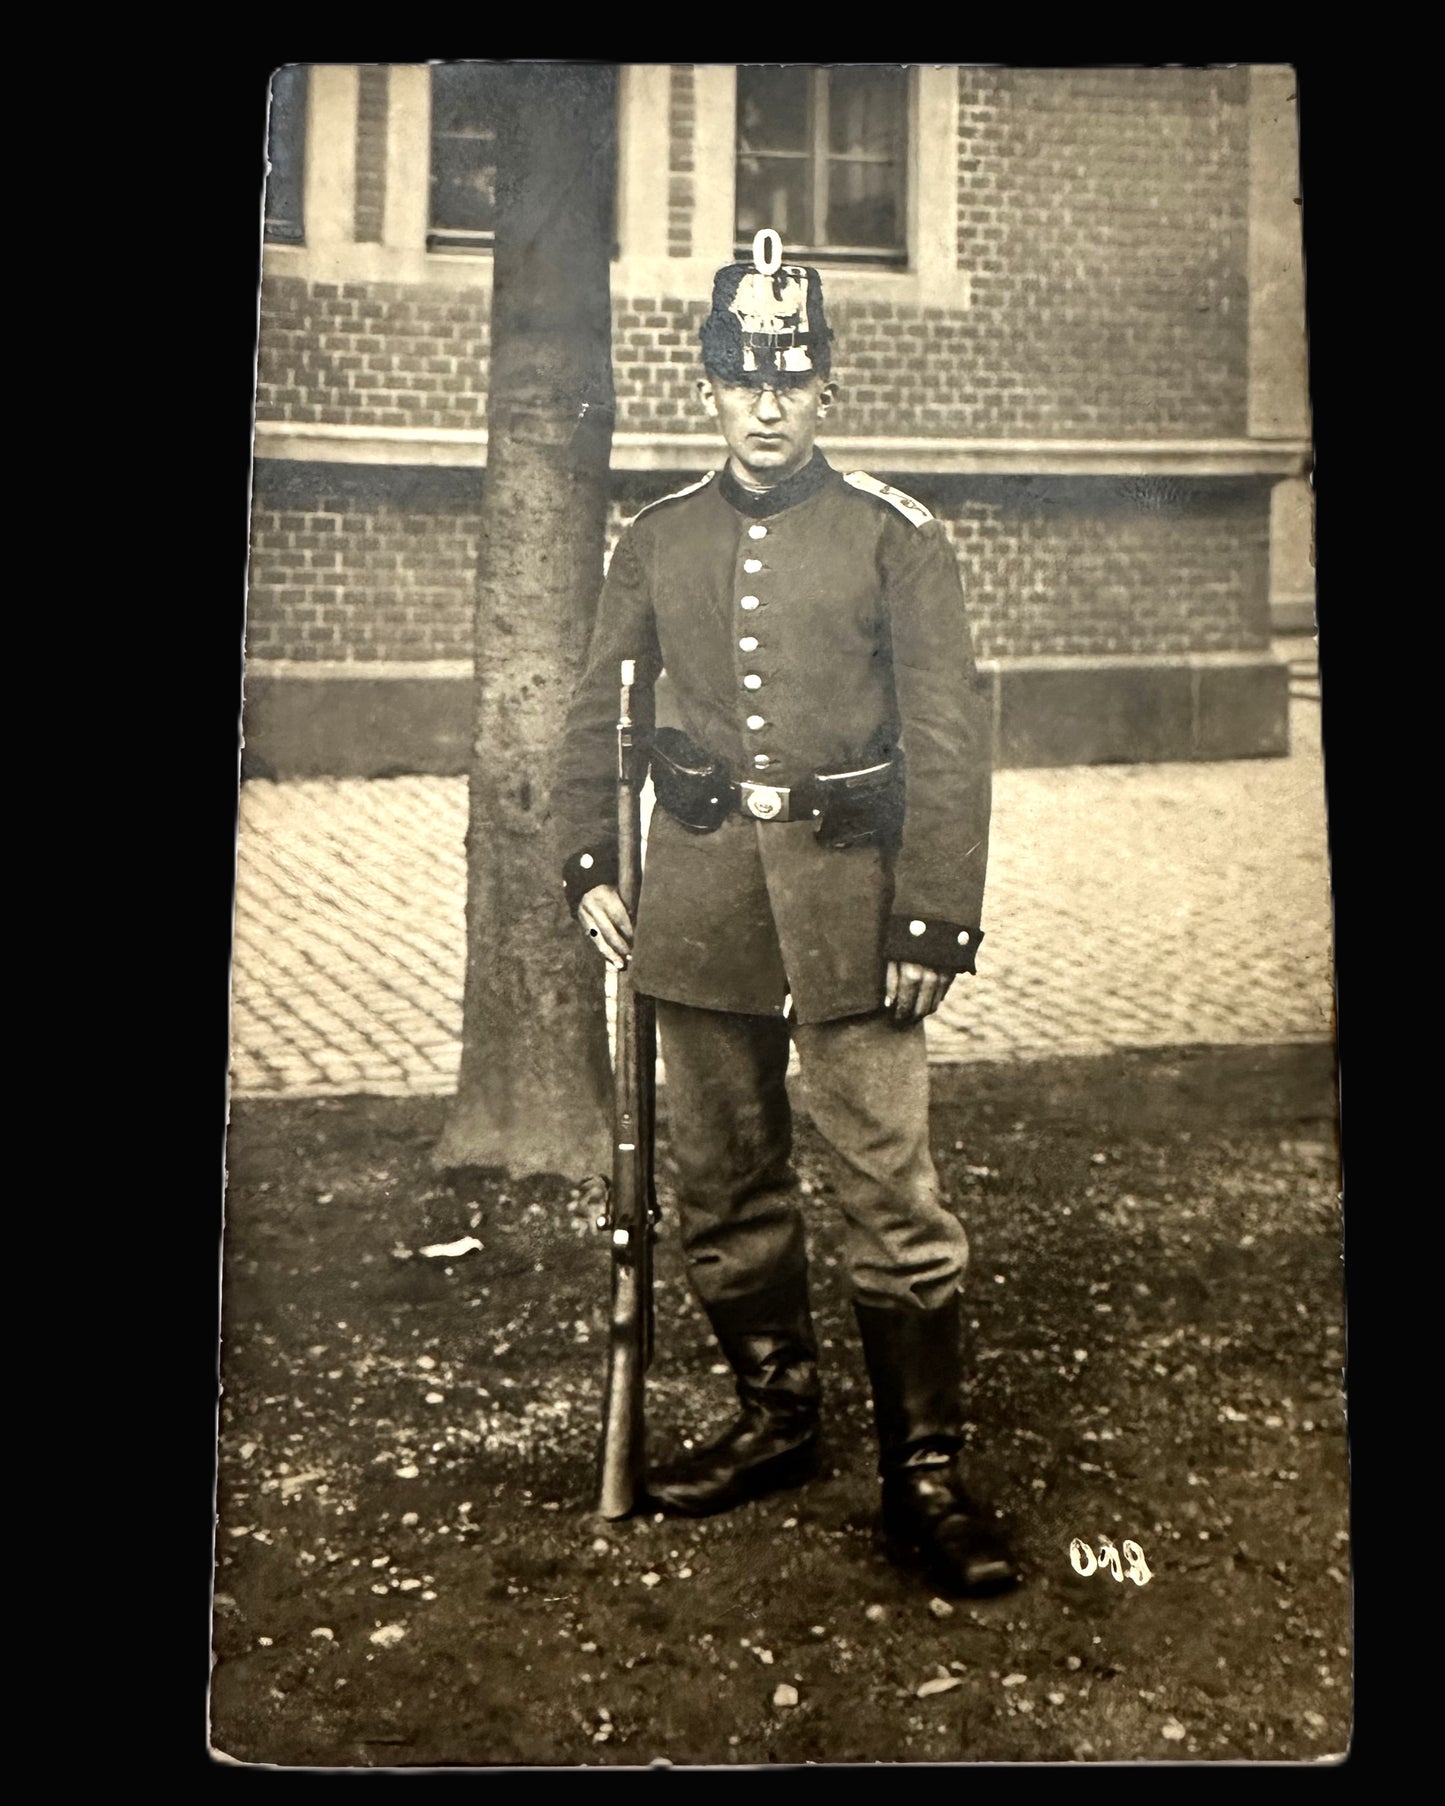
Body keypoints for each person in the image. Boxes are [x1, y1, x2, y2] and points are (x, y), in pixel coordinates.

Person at [551, 235, 1019, 1596]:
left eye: (793, 376)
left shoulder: (897, 537)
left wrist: (932, 918)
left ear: (825, 386)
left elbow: (947, 739)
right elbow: (595, 708)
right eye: (744, 377)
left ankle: (923, 1477)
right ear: (708, 386)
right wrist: (590, 858)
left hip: (852, 907)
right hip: (692, 901)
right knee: (723, 1176)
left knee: (887, 1179)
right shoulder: (656, 538)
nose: (767, 403)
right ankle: (774, 1413)